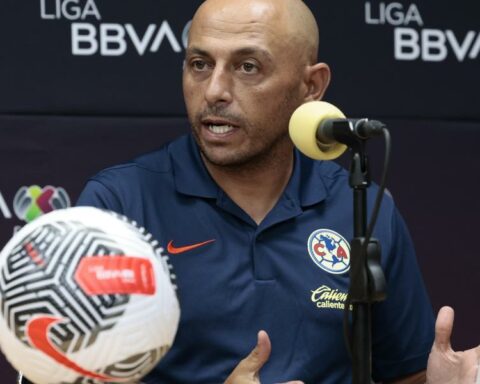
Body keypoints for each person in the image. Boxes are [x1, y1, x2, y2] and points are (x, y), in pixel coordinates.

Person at [77, 0, 480, 383]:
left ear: (312, 86)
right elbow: (70, 374)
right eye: (199, 64)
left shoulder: (361, 205)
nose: (214, 90)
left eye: (248, 67)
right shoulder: (118, 206)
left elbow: (404, 373)